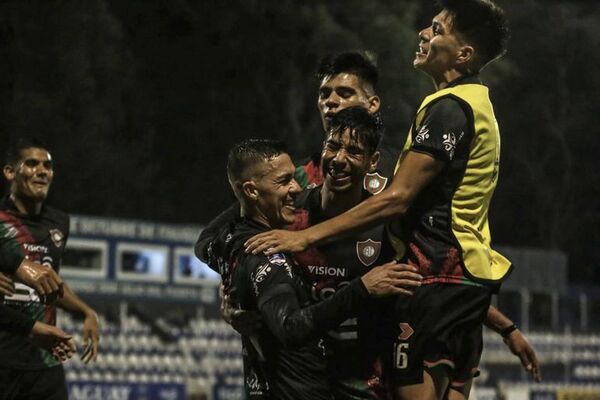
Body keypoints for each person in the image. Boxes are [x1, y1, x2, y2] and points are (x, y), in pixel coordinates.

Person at [198, 50, 540, 392]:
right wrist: (234, 295)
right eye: (324, 94)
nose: (331, 102)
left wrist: (503, 326)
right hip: (312, 369)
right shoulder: (294, 186)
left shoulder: (401, 185)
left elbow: (430, 270)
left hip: (374, 369)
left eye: (344, 94)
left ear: (372, 105)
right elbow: (226, 239)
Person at [206, 138, 422, 399]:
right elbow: (291, 326)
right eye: (284, 181)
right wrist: (364, 288)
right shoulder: (266, 253)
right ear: (251, 191)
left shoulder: (227, 239)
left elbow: (207, 246)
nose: (297, 188)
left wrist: (234, 298)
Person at [0, 138, 100, 400]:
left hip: (46, 361)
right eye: (32, 164)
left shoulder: (59, 222)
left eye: (48, 165)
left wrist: (86, 311)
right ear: (10, 172)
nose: (42, 170)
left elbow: (52, 282)